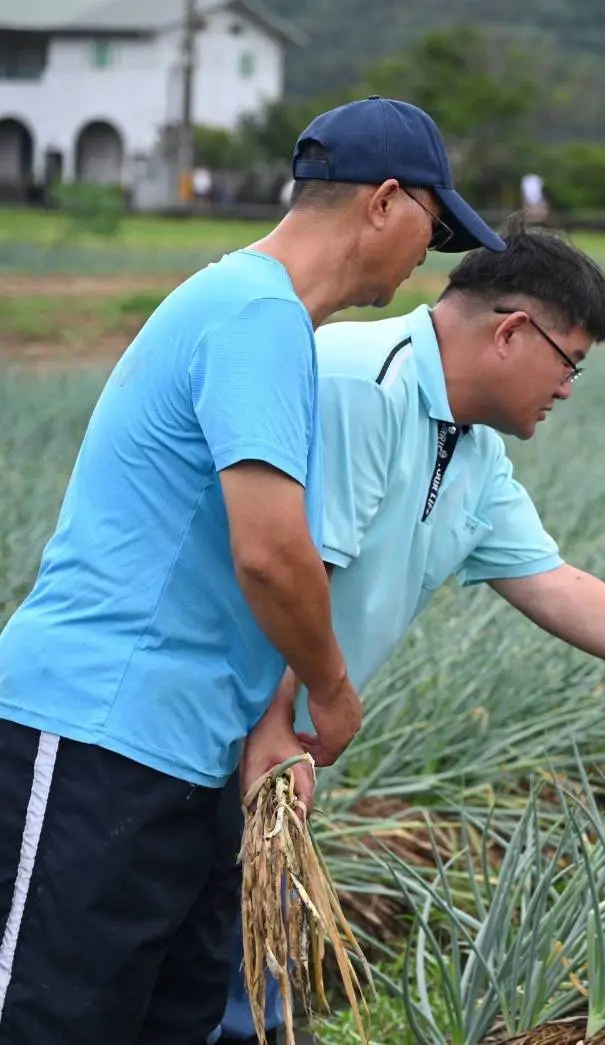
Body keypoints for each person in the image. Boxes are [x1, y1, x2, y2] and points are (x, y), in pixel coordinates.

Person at [208, 217, 605, 1044]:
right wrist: (285, 718)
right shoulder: (361, 383)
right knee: (194, 978)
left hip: (281, 745)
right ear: (512, 332)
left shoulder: (472, 445)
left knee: (246, 981)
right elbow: (294, 567)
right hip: (220, 728)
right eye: (570, 362)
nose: (567, 388)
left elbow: (550, 580)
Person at [0, 96, 502, 1044]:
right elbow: (271, 554)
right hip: (97, 731)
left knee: (165, 1021)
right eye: (432, 232)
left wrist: (265, 720)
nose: (426, 263)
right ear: (384, 203)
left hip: (182, 753)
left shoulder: (271, 324)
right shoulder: (255, 315)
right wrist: (330, 691)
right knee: (49, 1020)